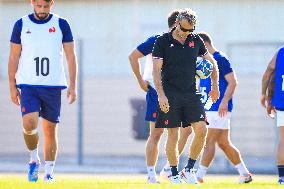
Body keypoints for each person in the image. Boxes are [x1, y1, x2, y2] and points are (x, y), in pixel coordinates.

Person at [8, 0, 77, 182]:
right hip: (29, 85)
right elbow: (14, 56)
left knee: (49, 130)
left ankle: (49, 174)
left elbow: (70, 56)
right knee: (29, 123)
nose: (42, 10)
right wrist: (11, 85)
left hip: (53, 85)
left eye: (46, 7)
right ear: (32, 3)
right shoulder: (21, 24)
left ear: (51, 4)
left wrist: (73, 84)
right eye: (39, 6)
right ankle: (33, 160)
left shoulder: (62, 24)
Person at [152, 9, 220, 184]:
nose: (186, 34)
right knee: (173, 135)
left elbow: (212, 63)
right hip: (170, 94)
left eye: (190, 30)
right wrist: (161, 96)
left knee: (202, 130)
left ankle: (188, 170)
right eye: (184, 30)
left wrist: (215, 86)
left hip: (191, 94)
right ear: (176, 23)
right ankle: (174, 173)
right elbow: (156, 71)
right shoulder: (162, 41)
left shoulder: (196, 40)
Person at [128, 9, 192, 183]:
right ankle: (151, 175)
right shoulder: (157, 40)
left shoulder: (188, 43)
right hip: (157, 93)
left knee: (185, 131)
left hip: (178, 94)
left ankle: (169, 170)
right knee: (156, 133)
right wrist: (141, 80)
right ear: (175, 24)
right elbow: (133, 57)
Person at [196, 32, 252, 184]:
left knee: (208, 142)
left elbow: (233, 82)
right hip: (210, 107)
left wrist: (224, 102)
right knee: (223, 143)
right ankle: (245, 174)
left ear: (205, 44)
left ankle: (199, 177)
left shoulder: (220, 59)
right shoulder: (204, 61)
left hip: (218, 108)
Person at [261, 47, 284, 185]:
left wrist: (265, 95)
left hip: (282, 102)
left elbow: (268, 73)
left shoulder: (281, 52)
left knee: (283, 141)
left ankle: (282, 178)